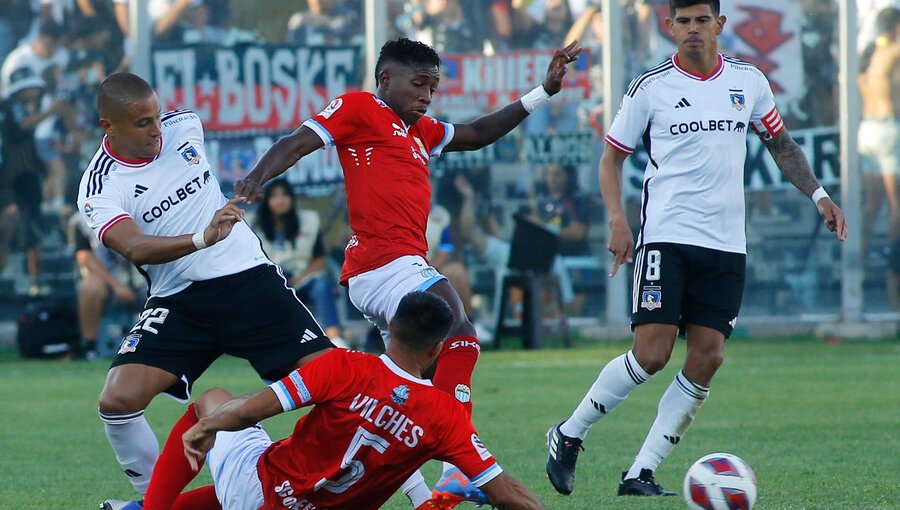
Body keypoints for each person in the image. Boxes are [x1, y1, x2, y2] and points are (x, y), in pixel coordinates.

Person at [234, 37, 582, 508]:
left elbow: (478, 133)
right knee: (458, 327)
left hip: (392, 268)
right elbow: (295, 143)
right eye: (418, 84)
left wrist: (542, 91)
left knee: (398, 391)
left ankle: (424, 496)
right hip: (382, 261)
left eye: (433, 88)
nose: (426, 95)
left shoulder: (421, 132)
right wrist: (257, 177)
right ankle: (459, 467)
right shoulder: (359, 109)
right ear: (385, 80)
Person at [545, 0, 848, 498]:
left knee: (707, 357)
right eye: (682, 21)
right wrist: (619, 221)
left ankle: (641, 471)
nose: (691, 29)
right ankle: (569, 433)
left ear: (719, 25)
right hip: (668, 235)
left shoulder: (748, 82)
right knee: (652, 353)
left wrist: (819, 195)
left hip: (727, 244)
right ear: (669, 27)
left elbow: (782, 146)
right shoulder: (651, 87)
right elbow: (611, 160)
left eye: (701, 20)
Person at [76, 73, 335, 509]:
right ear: (109, 126)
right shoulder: (100, 185)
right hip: (179, 300)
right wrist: (200, 239)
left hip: (249, 282)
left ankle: (358, 484)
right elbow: (134, 245)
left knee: (337, 383)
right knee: (118, 400)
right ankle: (151, 502)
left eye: (156, 116)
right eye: (141, 123)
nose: (156, 129)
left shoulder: (185, 125)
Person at [119, 292, 545, 510]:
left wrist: (207, 425)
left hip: (262, 490)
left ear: (390, 325)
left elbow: (250, 410)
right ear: (435, 351)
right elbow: (507, 494)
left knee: (211, 398)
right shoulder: (445, 417)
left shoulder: (344, 366)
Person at [253, 178, 348, 347]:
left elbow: (320, 258)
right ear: (267, 200)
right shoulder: (255, 225)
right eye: (274, 196)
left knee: (321, 286)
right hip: (272, 284)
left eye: (285, 195)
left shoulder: (308, 220)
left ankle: (335, 338)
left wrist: (299, 278)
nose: (280, 200)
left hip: (302, 279)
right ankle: (270, 343)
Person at [858, 7, 900, 311]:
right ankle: (893, 260)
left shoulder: (868, 52)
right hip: (887, 127)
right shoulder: (891, 51)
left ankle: (855, 261)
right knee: (896, 203)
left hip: (865, 128)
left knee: (872, 205)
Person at [70, 211, 140, 360]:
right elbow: (84, 256)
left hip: (143, 274)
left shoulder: (138, 209)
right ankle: (89, 346)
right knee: (90, 288)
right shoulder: (81, 220)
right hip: (106, 277)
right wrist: (116, 285)